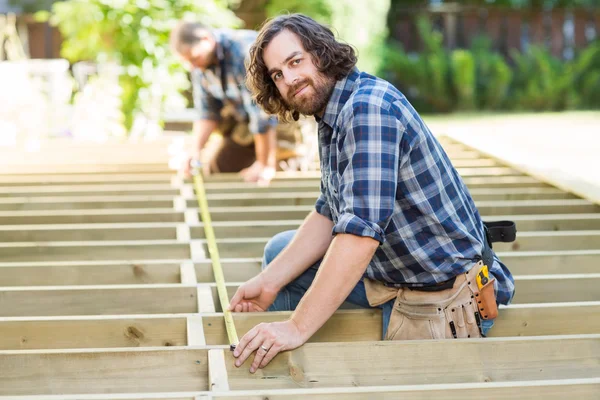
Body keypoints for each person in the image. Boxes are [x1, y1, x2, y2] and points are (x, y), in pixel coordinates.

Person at [227, 14, 516, 373]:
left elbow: (358, 235)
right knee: (277, 256)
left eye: (295, 61)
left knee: (299, 306)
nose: (289, 79)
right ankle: (297, 354)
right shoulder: (332, 111)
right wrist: (267, 282)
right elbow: (329, 211)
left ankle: (309, 366)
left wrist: (296, 326)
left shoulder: (367, 110)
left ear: (321, 52)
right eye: (277, 75)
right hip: (396, 271)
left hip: (443, 294)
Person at [170, 20, 285, 184]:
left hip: (283, 118)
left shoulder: (243, 51)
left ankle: (283, 158)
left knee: (274, 174)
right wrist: (194, 150)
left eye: (194, 58)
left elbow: (262, 115)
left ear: (206, 40)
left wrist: (264, 164)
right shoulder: (200, 66)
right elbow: (208, 113)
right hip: (247, 125)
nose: (192, 66)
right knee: (218, 168)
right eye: (187, 62)